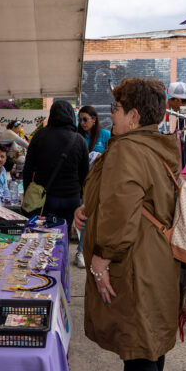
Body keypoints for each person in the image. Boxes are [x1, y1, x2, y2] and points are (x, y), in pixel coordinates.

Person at [74, 77, 181, 371]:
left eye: (117, 108)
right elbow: (137, 197)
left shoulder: (127, 149)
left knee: (138, 348)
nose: (112, 115)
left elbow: (122, 211)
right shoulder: (155, 145)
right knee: (150, 344)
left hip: (135, 263)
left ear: (134, 117)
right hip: (155, 259)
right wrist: (89, 209)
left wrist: (100, 259)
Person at [23, 100, 88, 229]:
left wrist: (28, 193)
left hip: (45, 198)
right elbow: (85, 173)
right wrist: (81, 197)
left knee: (43, 234)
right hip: (71, 198)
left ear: (52, 115)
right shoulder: (79, 140)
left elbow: (28, 168)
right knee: (64, 232)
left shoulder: (39, 136)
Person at [74, 105, 111, 268]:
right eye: (80, 119)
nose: (82, 123)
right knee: (85, 217)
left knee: (102, 218)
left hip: (102, 182)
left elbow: (113, 157)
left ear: (94, 120)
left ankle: (99, 252)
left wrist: (102, 158)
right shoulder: (78, 136)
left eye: (85, 119)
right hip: (83, 183)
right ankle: (81, 251)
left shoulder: (105, 135)